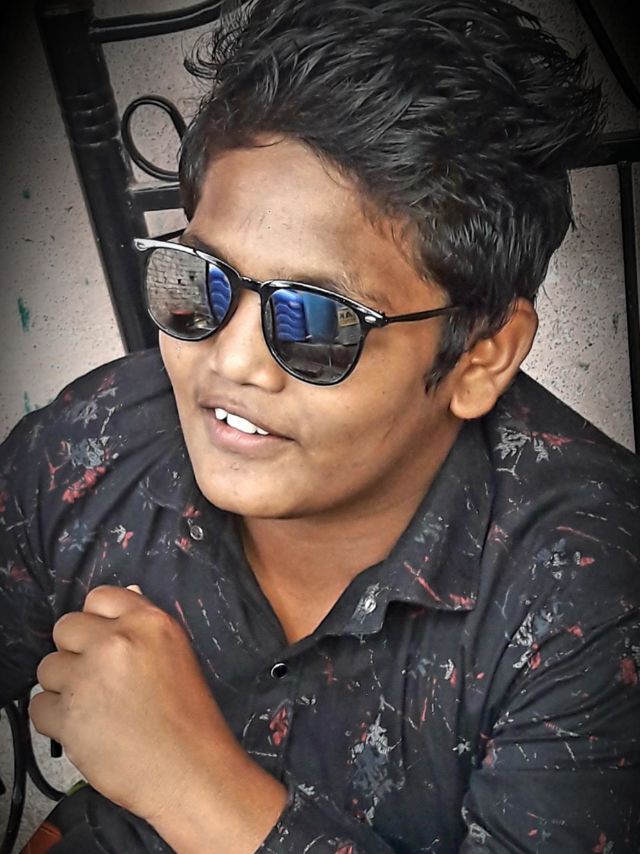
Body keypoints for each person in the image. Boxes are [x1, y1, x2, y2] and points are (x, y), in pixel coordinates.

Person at [1, 0, 639, 851]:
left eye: (314, 321)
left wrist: (188, 781)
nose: (231, 361)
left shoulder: (591, 602)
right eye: (202, 281)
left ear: (483, 356)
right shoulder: (95, 446)